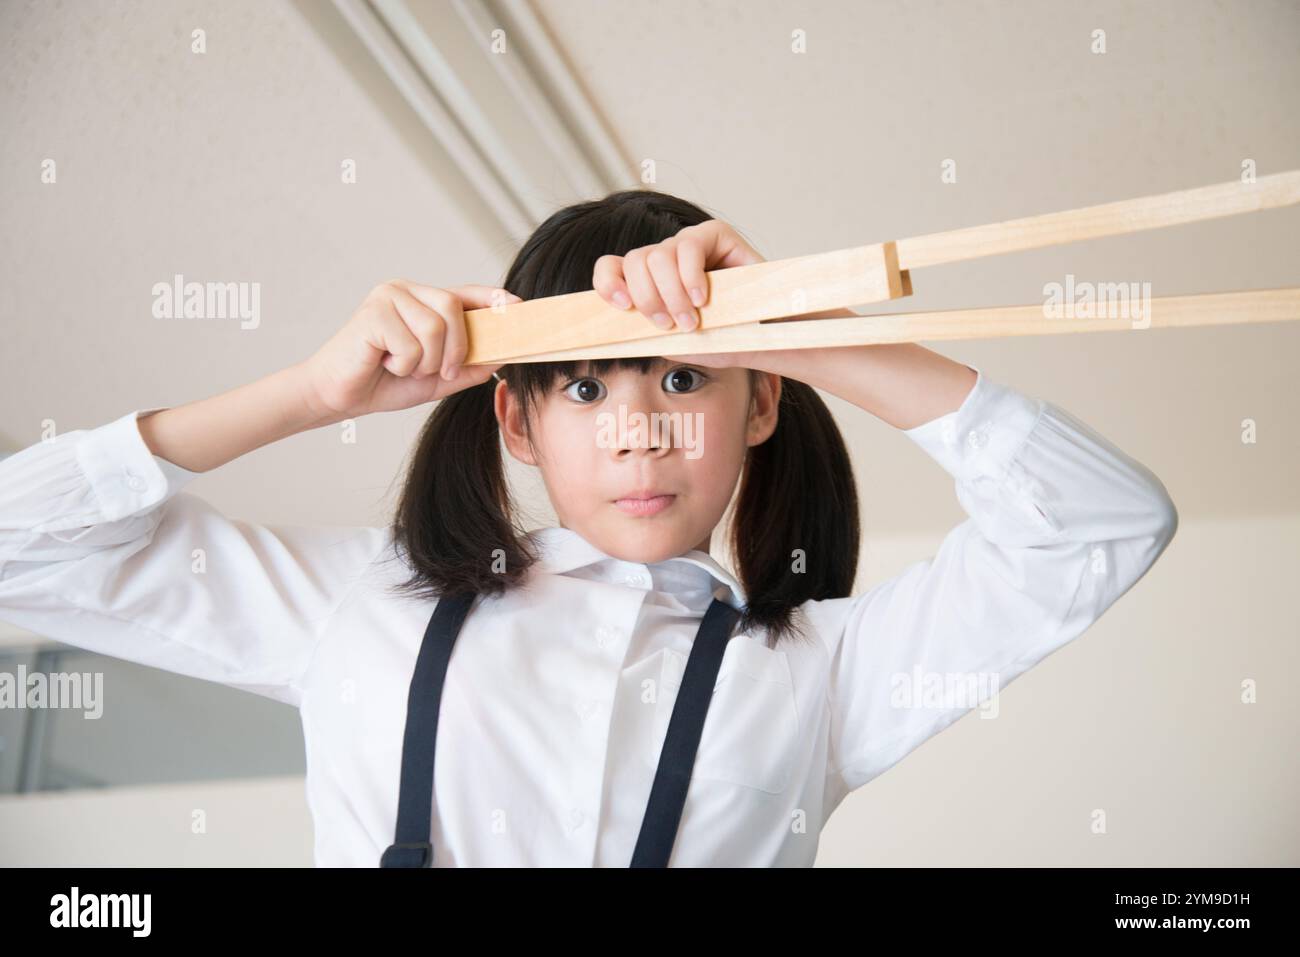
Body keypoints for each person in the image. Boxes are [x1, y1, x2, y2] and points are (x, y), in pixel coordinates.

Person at [0, 189, 1177, 866]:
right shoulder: (359, 609)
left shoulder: (824, 671)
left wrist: (815, 334)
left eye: (682, 381)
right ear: (512, 418)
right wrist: (310, 393)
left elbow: (1100, 524)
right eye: (583, 388)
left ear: (759, 400)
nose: (636, 436)